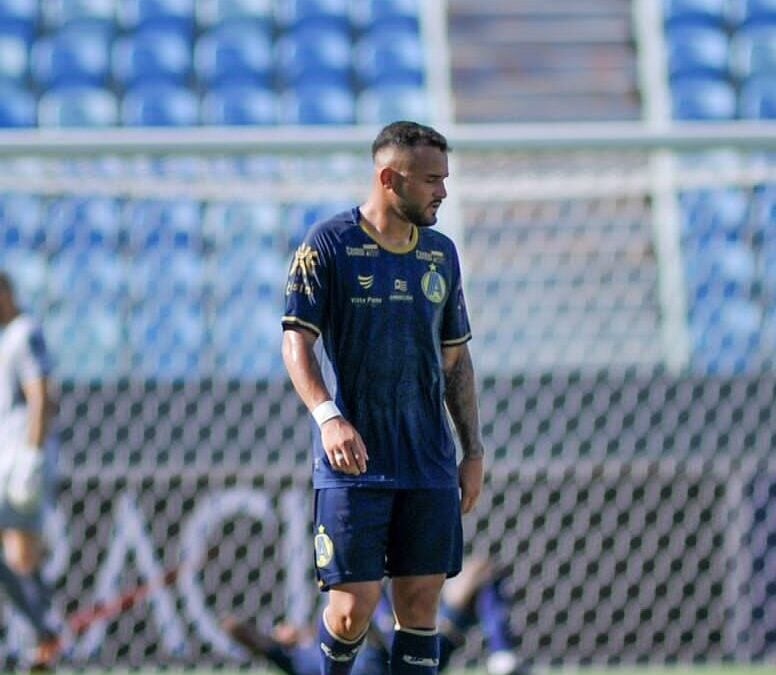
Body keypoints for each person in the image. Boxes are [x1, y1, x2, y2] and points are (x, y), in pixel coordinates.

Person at [281, 120, 485, 675]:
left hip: (427, 459)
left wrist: (472, 449)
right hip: (355, 462)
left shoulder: (441, 254)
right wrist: (328, 417)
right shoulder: (329, 244)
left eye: (445, 178)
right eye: (431, 180)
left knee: (419, 605)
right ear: (390, 179)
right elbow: (296, 342)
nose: (443, 191)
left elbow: (456, 360)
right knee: (352, 610)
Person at [222, 555, 526, 675]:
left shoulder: (321, 630)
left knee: (481, 570)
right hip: (396, 659)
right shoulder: (297, 660)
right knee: (364, 604)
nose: (283, 627)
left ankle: (502, 657)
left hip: (406, 631)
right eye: (277, 630)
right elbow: (236, 629)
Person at [0, 271, 60, 671]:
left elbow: (42, 395)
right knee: (11, 558)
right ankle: (35, 635)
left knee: (21, 556)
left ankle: (41, 640)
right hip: (7, 460)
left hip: (21, 463)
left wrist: (32, 458)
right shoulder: (8, 337)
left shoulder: (24, 333)